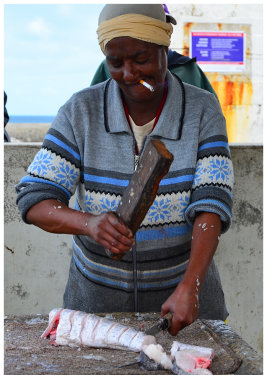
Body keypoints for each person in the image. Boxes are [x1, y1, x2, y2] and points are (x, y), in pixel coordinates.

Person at [16, 4, 234, 336]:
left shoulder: (202, 110)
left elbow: (212, 204)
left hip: (183, 308)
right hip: (97, 312)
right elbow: (34, 198)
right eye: (115, 63)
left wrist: (192, 285)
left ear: (164, 50)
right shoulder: (81, 111)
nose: (129, 75)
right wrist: (88, 224)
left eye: (141, 59)